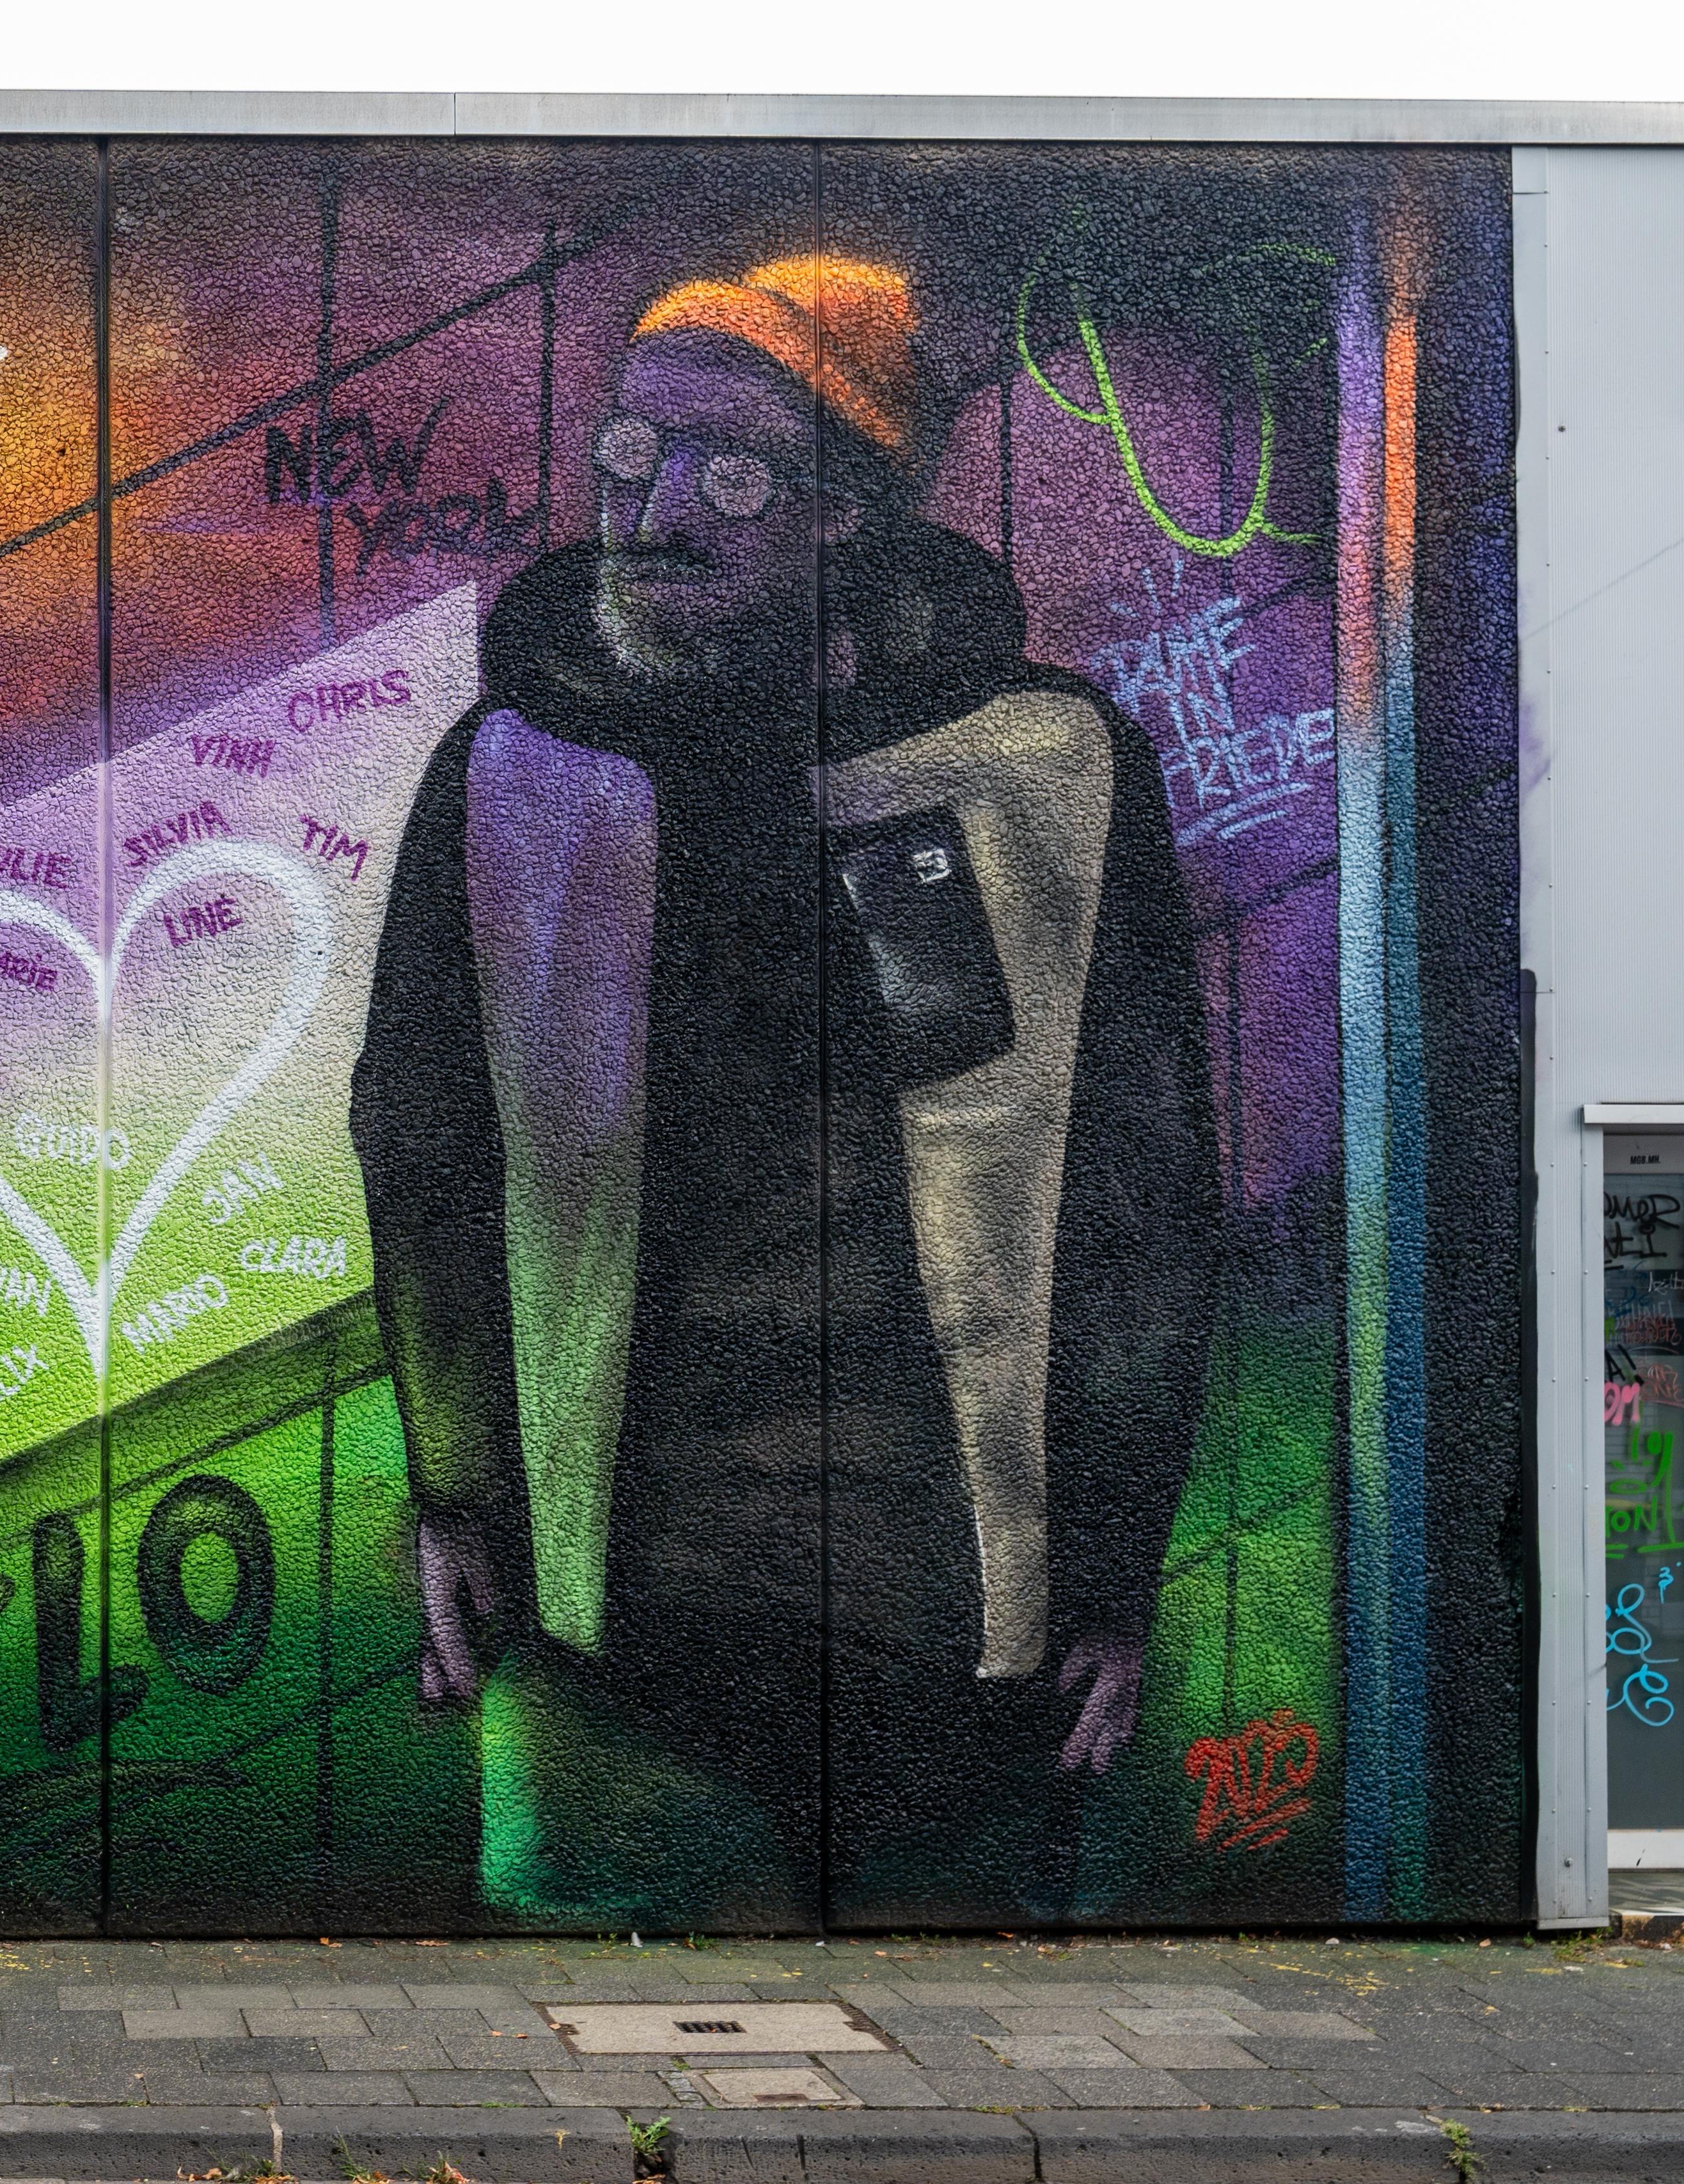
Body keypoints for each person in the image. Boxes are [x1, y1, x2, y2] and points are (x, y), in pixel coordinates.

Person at [349, 255, 1220, 1926]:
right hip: (607, 1635)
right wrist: (455, 1495)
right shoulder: (515, 777)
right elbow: (427, 1161)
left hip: (961, 1644)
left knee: (962, 2052)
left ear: (845, 517)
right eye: (631, 452)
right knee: (564, 2039)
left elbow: (1140, 1197)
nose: (653, 507)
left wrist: (1112, 1571)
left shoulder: (1048, 773)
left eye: (730, 472)